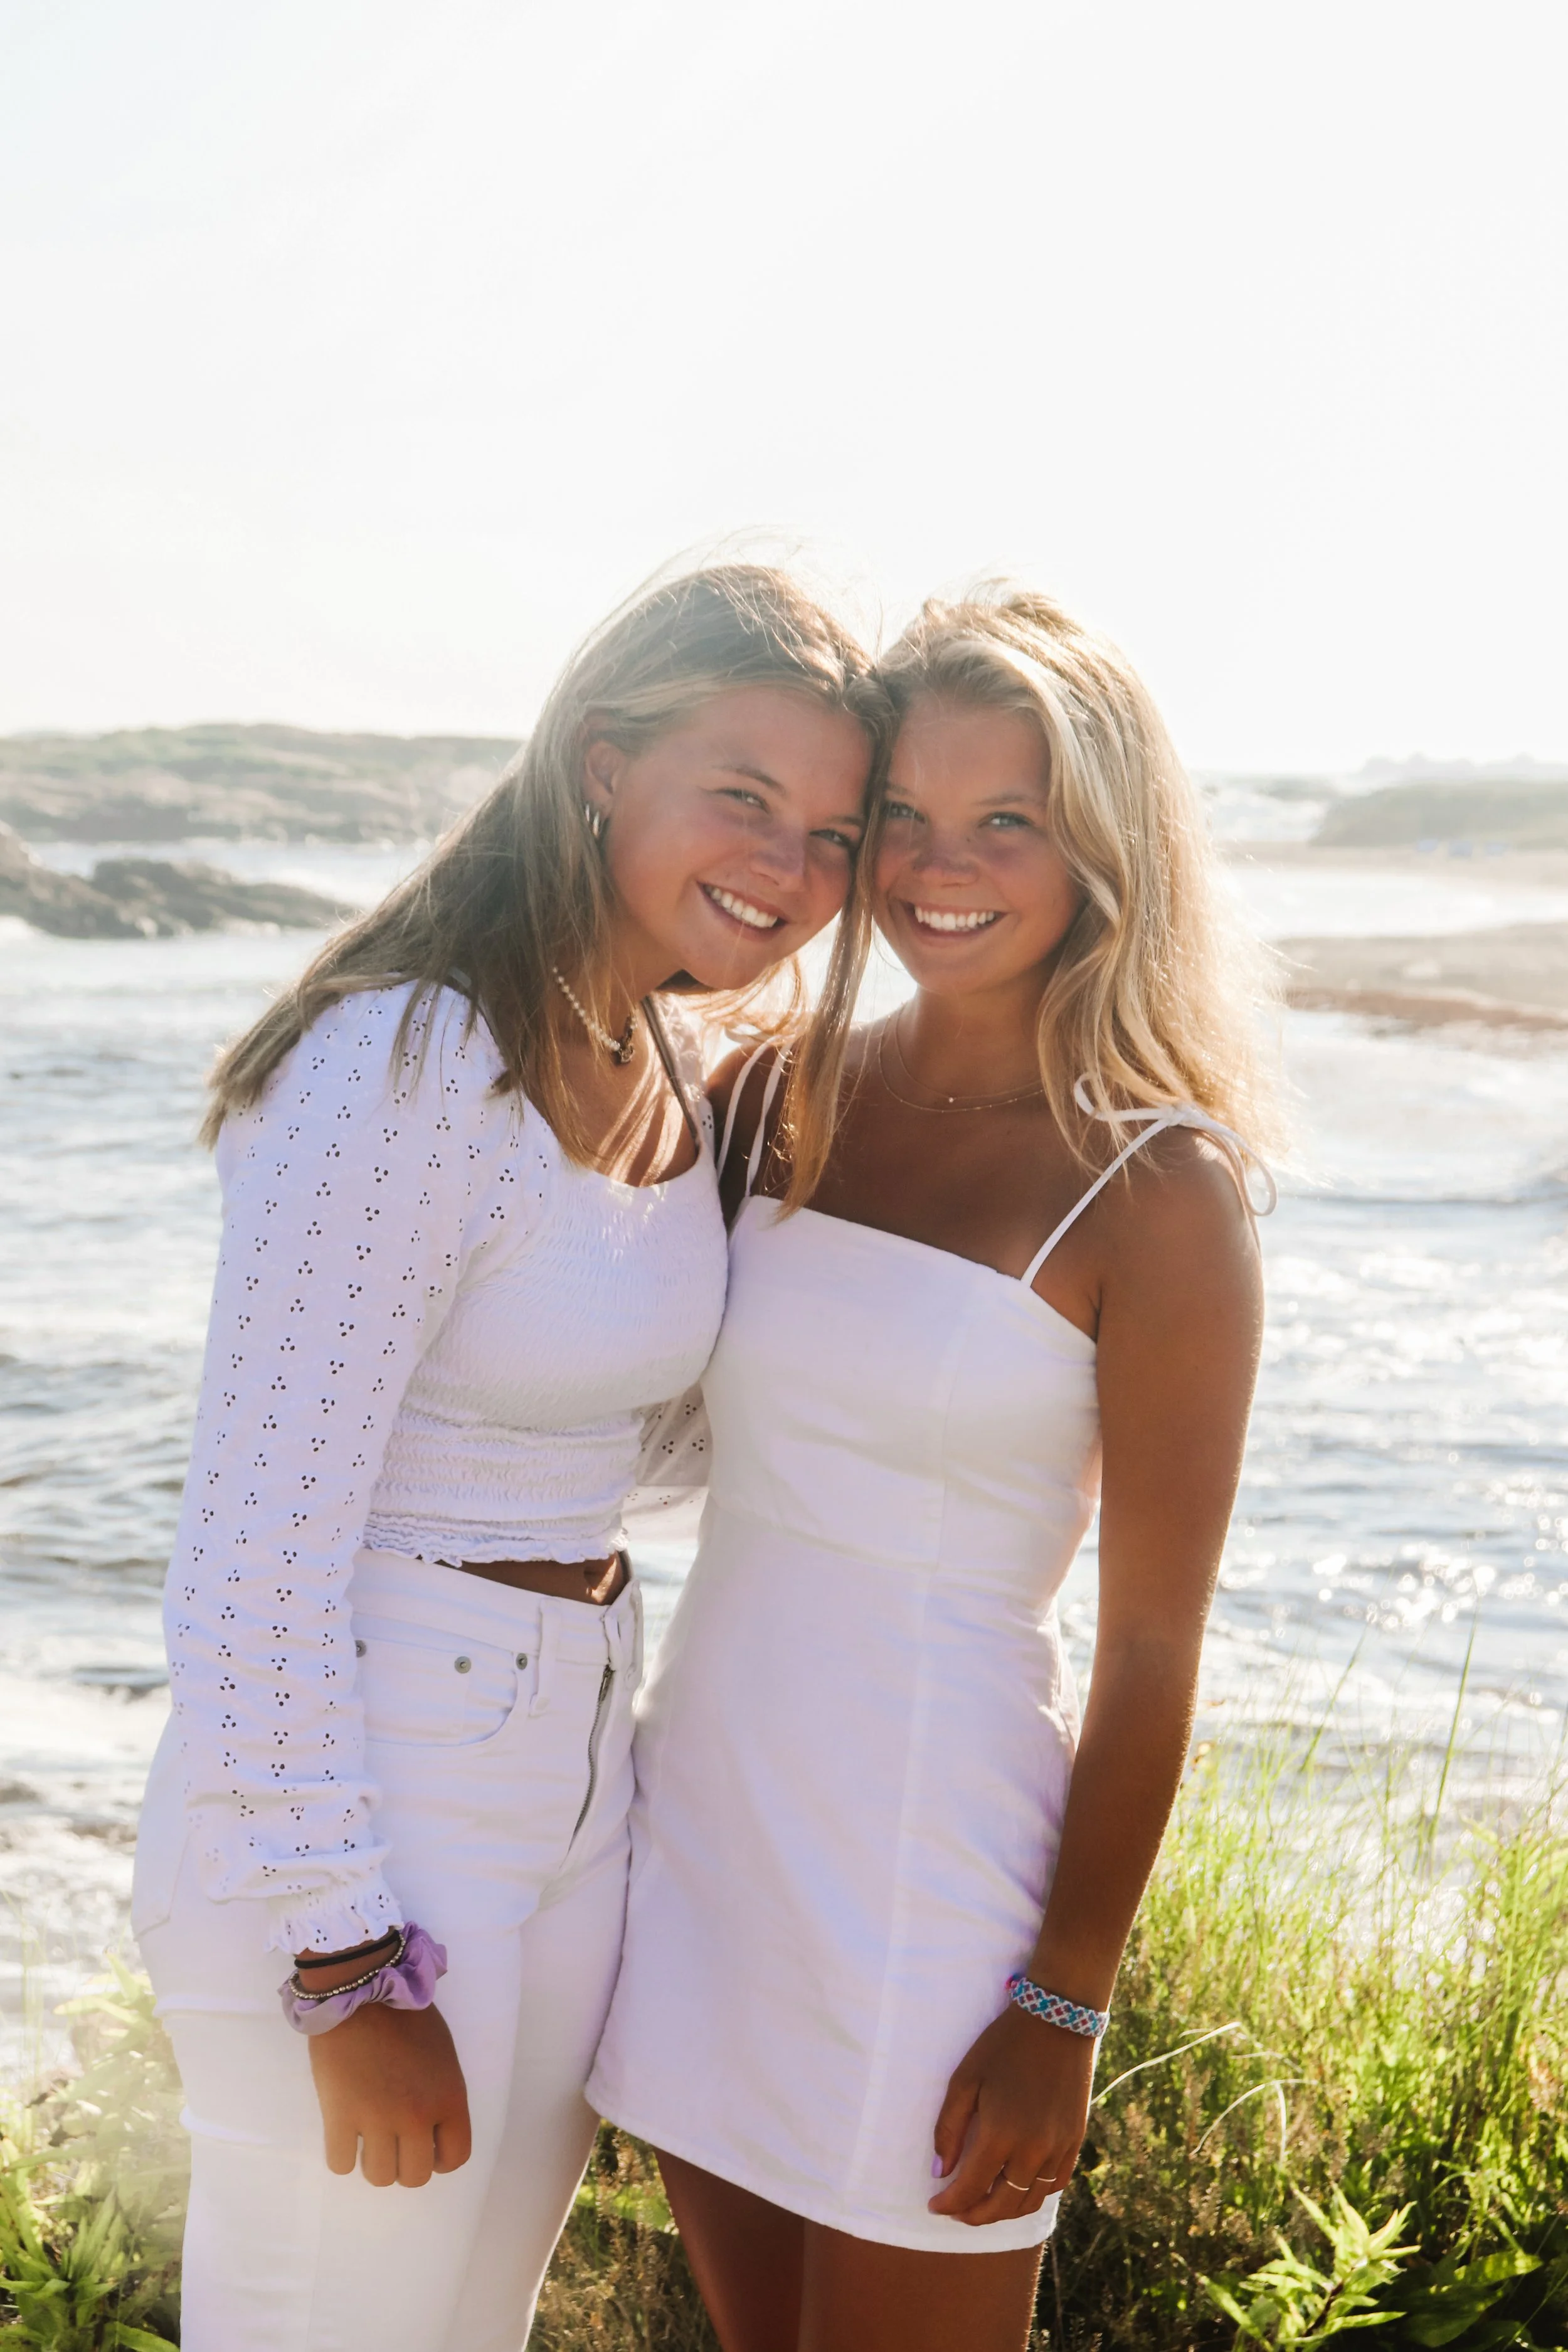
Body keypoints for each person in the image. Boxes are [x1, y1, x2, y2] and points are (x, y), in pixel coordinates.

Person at [130, 564, 886, 2352]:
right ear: (603, 762)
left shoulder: (666, 1064)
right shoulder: (408, 1060)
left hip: (570, 1761)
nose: (790, 872)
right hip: (378, 1797)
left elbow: (629, 1451)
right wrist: (341, 1955)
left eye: (836, 834)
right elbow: (248, 1553)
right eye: (745, 799)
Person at [588, 588, 1279, 2352]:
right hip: (708, 1848)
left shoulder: (1158, 1190)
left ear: (1101, 852)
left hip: (932, 1891)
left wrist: (1062, 2006)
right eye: (898, 815)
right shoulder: (768, 1092)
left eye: (1004, 822)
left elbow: (1148, 1655)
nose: (931, 864)